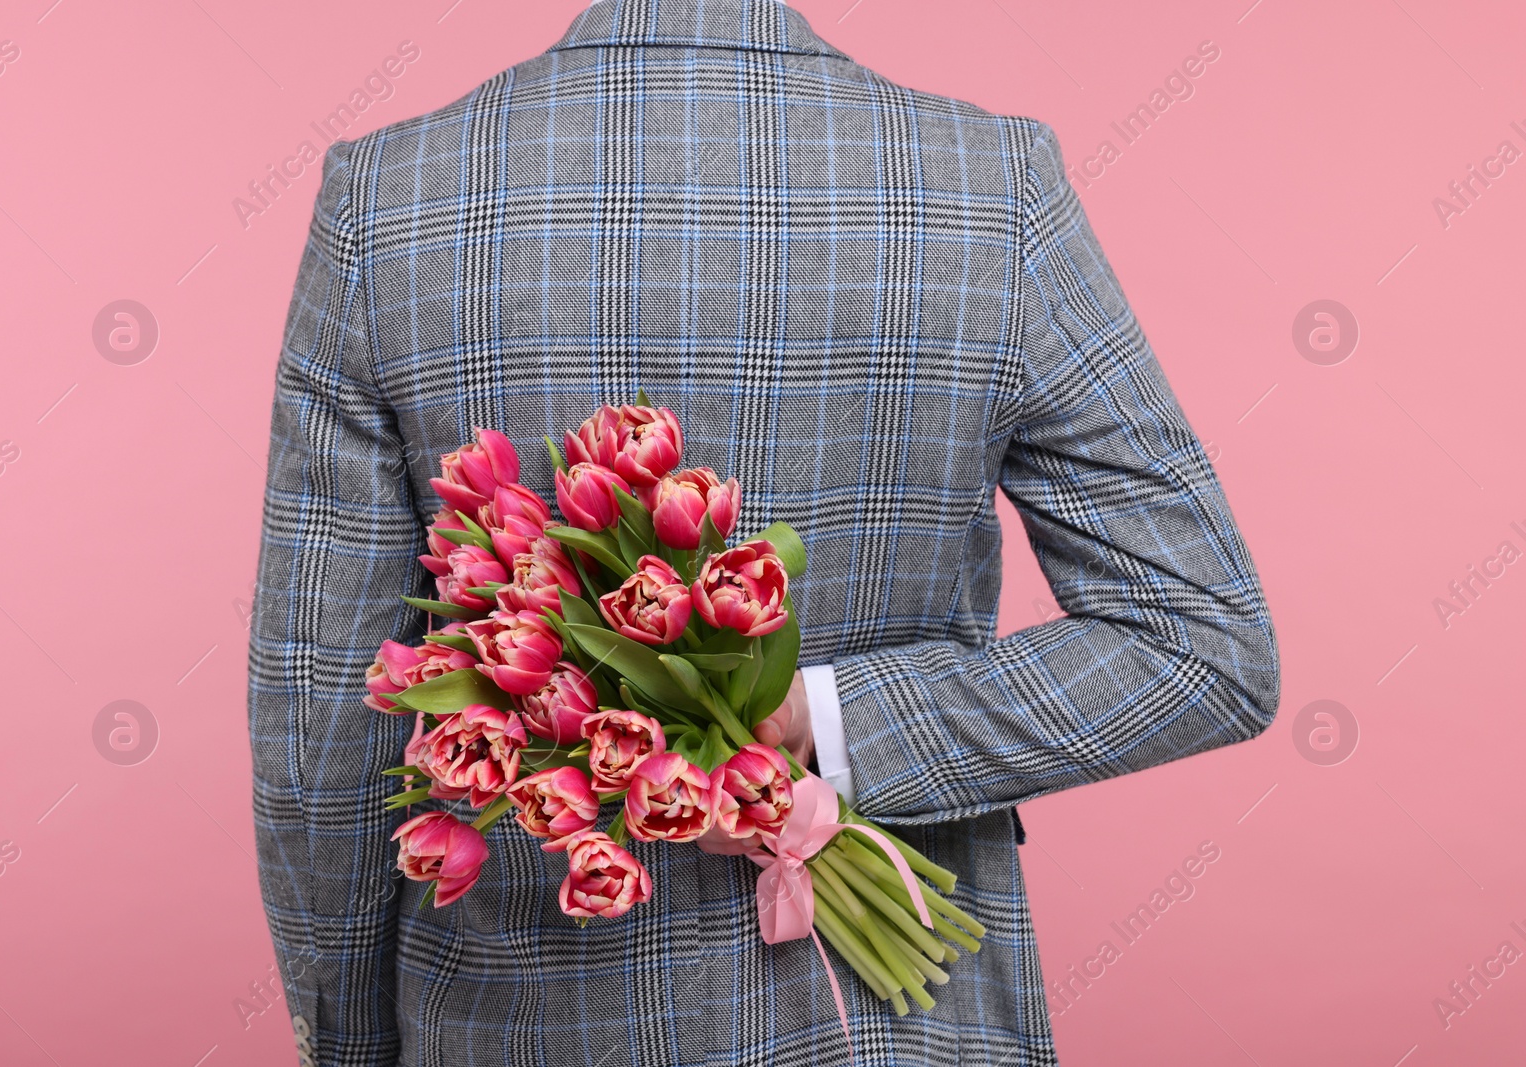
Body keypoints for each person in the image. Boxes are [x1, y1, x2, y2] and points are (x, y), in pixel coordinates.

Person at [247, 0, 1280, 1063]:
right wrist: (838, 715)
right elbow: (1198, 642)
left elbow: (319, 717)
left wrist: (353, 1042)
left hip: (524, 1023)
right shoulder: (989, 187)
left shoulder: (390, 197)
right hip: (904, 1030)